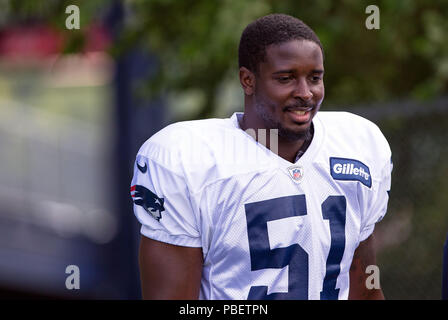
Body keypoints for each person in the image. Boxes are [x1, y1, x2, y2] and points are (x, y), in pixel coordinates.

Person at [131, 13, 392, 300]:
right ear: (248, 80)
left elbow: (365, 290)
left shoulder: (358, 144)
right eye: (286, 78)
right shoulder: (187, 159)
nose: (306, 93)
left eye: (315, 78)